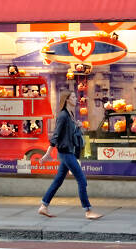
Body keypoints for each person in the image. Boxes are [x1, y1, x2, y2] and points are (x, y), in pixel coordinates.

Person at [38, 91, 103, 220]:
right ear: (67, 100)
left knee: (58, 180)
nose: (76, 99)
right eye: (73, 97)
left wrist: (77, 126)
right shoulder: (63, 116)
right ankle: (88, 210)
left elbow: (70, 133)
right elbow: (56, 135)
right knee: (82, 180)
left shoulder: (70, 115)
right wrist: (47, 154)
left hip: (68, 152)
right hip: (66, 153)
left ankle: (43, 206)